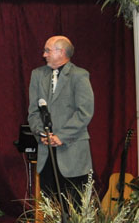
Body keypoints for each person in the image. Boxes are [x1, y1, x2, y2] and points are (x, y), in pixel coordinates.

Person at [26, 35, 93, 205]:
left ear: (61, 52)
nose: (44, 55)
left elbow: (84, 112)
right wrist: (42, 133)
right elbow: (33, 111)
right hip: (46, 151)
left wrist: (61, 136)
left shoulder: (79, 75)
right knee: (51, 204)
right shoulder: (37, 75)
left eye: (48, 51)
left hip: (72, 151)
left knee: (75, 204)